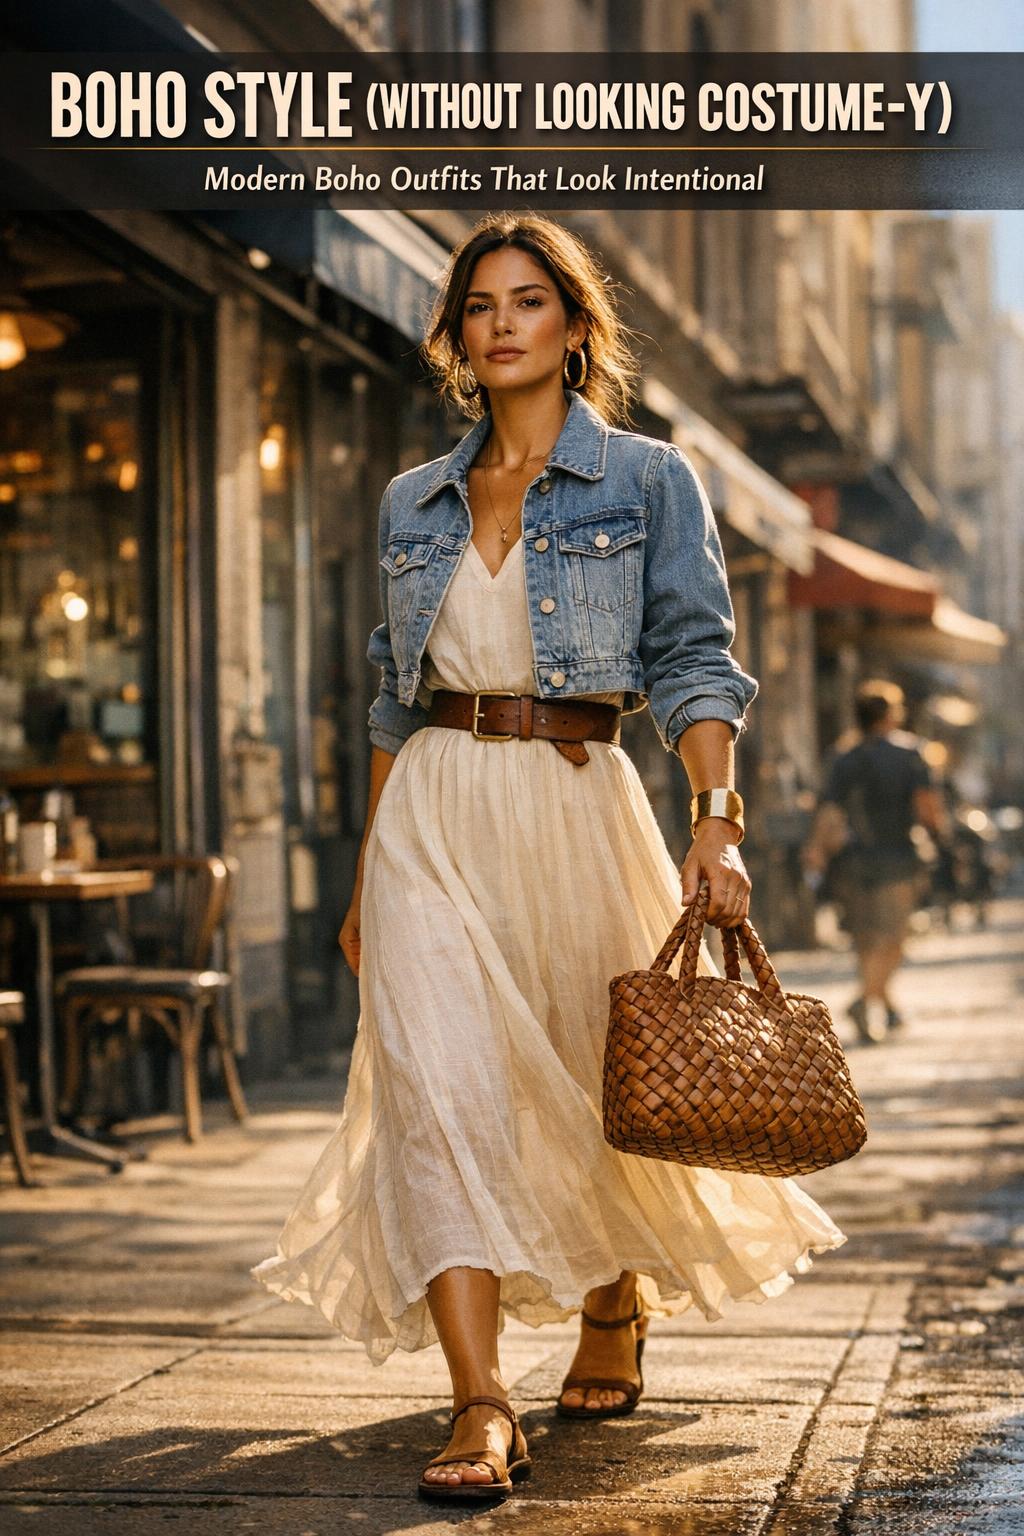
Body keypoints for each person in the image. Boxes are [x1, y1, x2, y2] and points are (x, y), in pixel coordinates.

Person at [253, 213, 847, 1504]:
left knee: (589, 1083)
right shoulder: (414, 497)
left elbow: (696, 658)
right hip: (432, 816)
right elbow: (388, 704)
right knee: (438, 1091)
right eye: (480, 305)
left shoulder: (649, 479)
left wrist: (717, 817)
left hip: (577, 801)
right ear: (457, 334)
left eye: (530, 301)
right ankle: (478, 1401)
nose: (503, 322)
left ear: (576, 330)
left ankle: (612, 1303)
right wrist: (363, 878)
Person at [803, 680, 945, 1043]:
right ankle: (867, 1000)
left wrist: (817, 851)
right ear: (892, 714)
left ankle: (876, 1001)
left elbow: (828, 810)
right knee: (895, 938)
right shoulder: (912, 753)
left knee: (867, 939)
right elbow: (927, 808)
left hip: (853, 861)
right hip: (897, 858)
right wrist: (939, 834)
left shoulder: (843, 756)